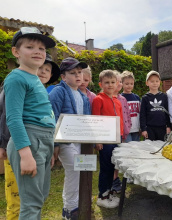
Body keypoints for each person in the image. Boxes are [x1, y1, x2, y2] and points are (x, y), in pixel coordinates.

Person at [3, 27, 56, 219]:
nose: (38, 51)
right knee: (31, 204)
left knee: (39, 198)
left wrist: (49, 148)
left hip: (43, 142)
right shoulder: (16, 78)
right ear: (16, 52)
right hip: (28, 141)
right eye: (30, 46)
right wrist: (25, 154)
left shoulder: (35, 79)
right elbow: (14, 119)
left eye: (42, 49)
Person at [49, 57, 90, 219]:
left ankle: (79, 203)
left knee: (83, 169)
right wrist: (56, 144)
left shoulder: (83, 97)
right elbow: (52, 117)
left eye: (80, 72)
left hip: (81, 142)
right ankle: (69, 208)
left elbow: (86, 121)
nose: (78, 76)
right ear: (63, 77)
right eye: (73, 73)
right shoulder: (58, 92)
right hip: (65, 142)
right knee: (75, 168)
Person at [92, 70, 124, 208]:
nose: (110, 85)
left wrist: (121, 136)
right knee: (105, 167)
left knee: (113, 166)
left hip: (117, 139)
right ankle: (102, 195)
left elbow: (121, 120)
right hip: (105, 140)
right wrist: (98, 140)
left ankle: (110, 192)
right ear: (101, 84)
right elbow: (95, 120)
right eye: (107, 82)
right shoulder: (98, 100)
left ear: (117, 83)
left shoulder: (117, 100)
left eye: (112, 82)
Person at [111, 70, 132, 193]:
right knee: (112, 159)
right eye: (117, 81)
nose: (118, 84)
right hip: (111, 135)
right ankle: (114, 181)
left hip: (122, 133)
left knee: (119, 157)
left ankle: (118, 179)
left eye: (119, 81)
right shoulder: (107, 98)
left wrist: (127, 129)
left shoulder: (123, 99)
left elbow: (127, 116)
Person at [140, 71, 171, 141]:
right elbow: (142, 115)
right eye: (152, 81)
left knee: (161, 147)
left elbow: (167, 113)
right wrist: (143, 129)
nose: (155, 83)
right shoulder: (145, 98)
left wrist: (168, 126)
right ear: (147, 83)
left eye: (157, 81)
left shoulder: (164, 96)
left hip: (162, 128)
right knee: (150, 148)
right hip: (149, 128)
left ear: (160, 82)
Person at [121, 71, 140, 142]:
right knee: (128, 149)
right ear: (122, 83)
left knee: (136, 148)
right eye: (127, 84)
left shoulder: (137, 97)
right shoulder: (120, 98)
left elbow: (140, 113)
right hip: (126, 130)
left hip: (136, 128)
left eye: (131, 84)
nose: (129, 86)